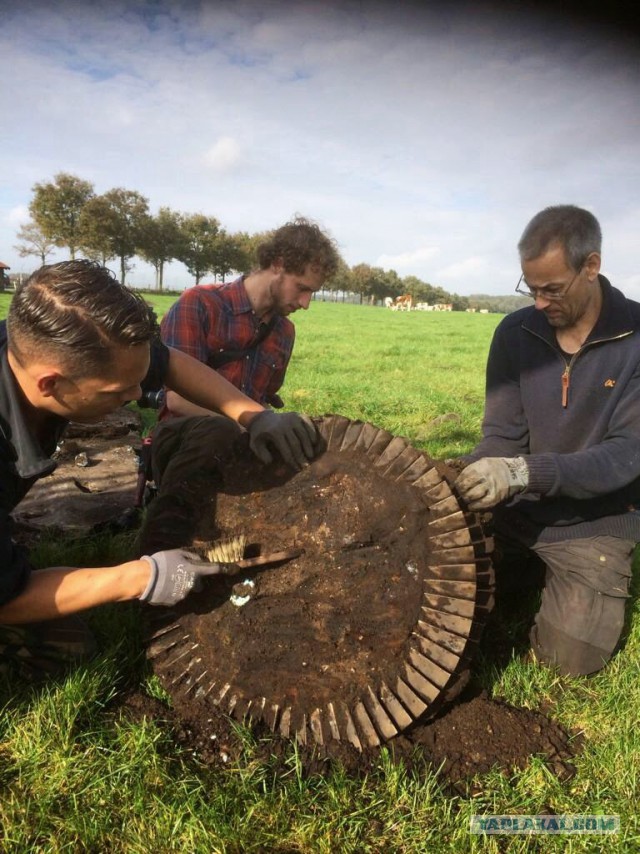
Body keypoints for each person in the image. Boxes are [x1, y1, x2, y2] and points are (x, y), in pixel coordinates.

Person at [0, 259, 317, 679]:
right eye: (119, 390)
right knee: (65, 648)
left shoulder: (60, 343)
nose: (138, 397)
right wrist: (138, 577)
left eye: (138, 381)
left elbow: (166, 364)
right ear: (50, 383)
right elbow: (7, 600)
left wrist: (253, 415)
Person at [454, 204, 640, 677]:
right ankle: (521, 571)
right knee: (427, 557)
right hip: (518, 509)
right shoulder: (515, 333)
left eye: (552, 289)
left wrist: (521, 472)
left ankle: (541, 578)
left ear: (591, 266)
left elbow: (625, 455)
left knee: (569, 660)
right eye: (530, 288)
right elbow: (502, 434)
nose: (539, 303)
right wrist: (482, 471)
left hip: (594, 521)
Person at [138, 216, 340, 553]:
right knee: (217, 429)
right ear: (277, 265)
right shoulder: (199, 303)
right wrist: (253, 421)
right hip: (182, 438)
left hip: (246, 442)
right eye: (302, 288)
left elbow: (266, 398)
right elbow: (176, 401)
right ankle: (157, 555)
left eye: (312, 293)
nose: (306, 303)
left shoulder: (284, 333)